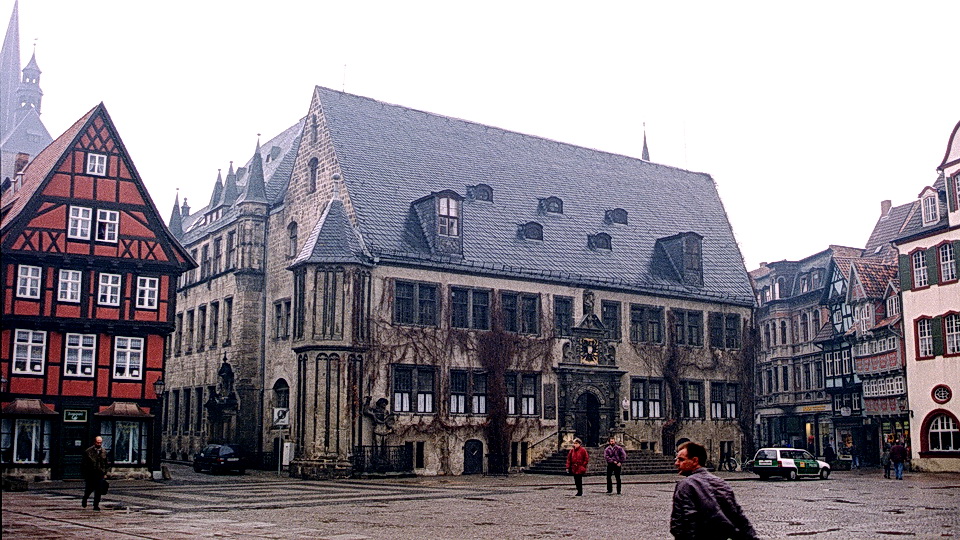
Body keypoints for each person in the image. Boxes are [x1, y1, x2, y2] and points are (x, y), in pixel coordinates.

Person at [671, 441, 758, 540]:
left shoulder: (686, 486)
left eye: (681, 459)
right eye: (676, 459)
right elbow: (740, 520)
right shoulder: (721, 483)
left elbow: (683, 524)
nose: (676, 463)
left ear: (695, 460)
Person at [81, 436, 109, 511]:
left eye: (100, 442)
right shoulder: (88, 451)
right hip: (91, 473)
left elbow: (106, 463)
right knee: (89, 489)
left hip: (100, 473)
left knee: (98, 490)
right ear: (94, 442)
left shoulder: (104, 451)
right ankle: (85, 499)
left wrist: (105, 472)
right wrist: (85, 474)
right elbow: (84, 464)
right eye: (98, 442)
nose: (99, 444)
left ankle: (96, 505)